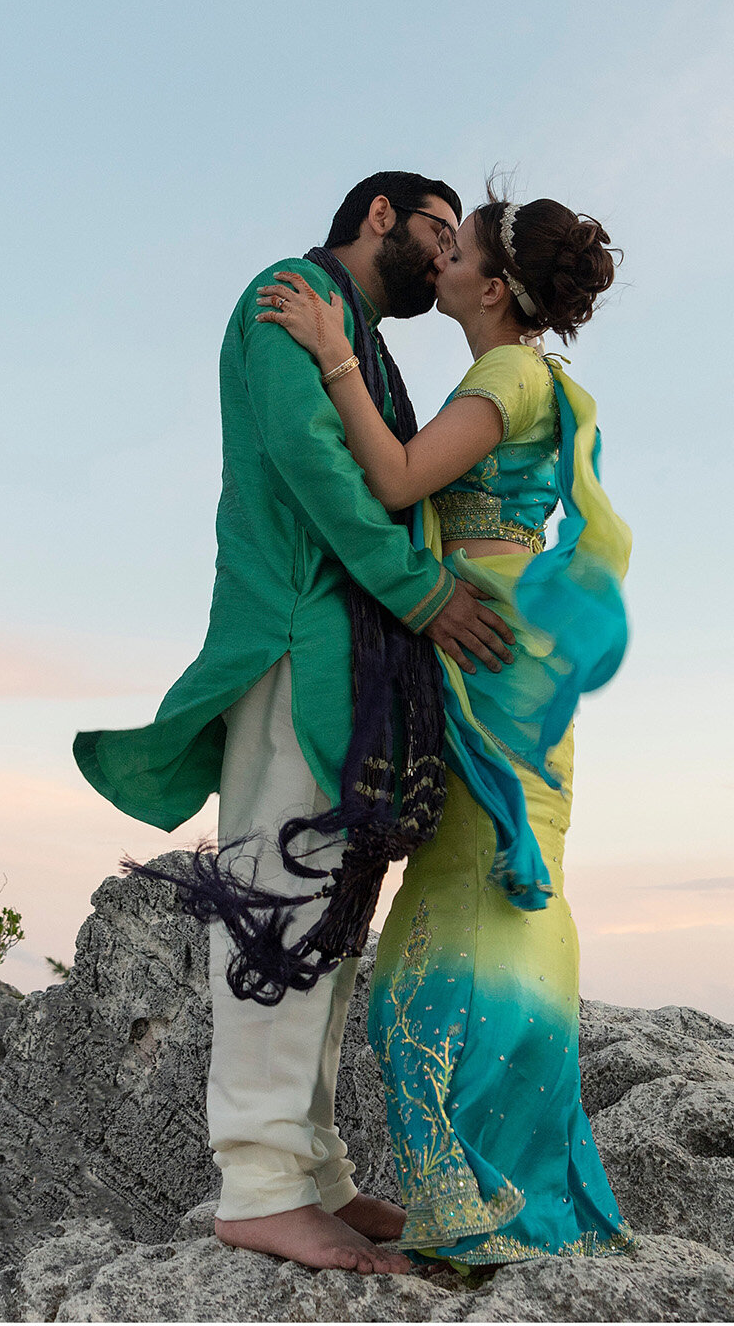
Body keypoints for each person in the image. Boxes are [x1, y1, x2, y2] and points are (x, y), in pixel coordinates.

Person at [73, 172, 517, 1276]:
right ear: (381, 217)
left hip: (347, 653)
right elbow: (309, 464)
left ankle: (312, 1168)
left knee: (329, 912)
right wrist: (417, 593)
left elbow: (394, 478)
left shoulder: (356, 337)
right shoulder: (287, 296)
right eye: (435, 231)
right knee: (277, 899)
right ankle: (260, 1185)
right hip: (291, 640)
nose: (445, 253)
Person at [252, 183, 636, 1266]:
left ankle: (489, 1203)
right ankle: (513, 1188)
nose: (441, 261)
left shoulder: (506, 373)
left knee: (458, 913)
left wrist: (333, 352)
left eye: (456, 248)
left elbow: (395, 476)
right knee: (493, 894)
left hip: (482, 648)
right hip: (500, 645)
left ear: (494, 285)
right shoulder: (527, 376)